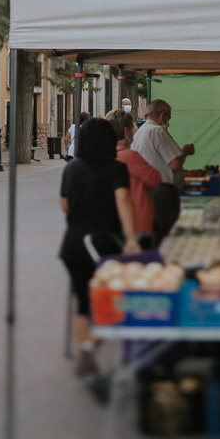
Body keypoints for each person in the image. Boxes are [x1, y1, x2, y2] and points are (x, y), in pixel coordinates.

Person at [58, 117, 139, 378]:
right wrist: (132, 238)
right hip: (104, 245)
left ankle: (86, 352)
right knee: (114, 303)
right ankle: (90, 350)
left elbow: (64, 205)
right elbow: (124, 200)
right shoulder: (116, 169)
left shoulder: (71, 169)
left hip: (73, 245)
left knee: (84, 301)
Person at [130, 99, 194, 245]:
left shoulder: (140, 133)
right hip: (163, 191)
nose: (168, 122)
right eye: (168, 118)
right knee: (166, 233)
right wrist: (185, 152)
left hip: (147, 189)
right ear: (162, 115)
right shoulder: (157, 131)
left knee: (155, 231)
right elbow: (175, 164)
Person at [105, 109, 161, 245]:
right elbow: (156, 179)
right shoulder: (129, 156)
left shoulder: (104, 156)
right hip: (137, 224)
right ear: (126, 131)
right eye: (133, 128)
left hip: (112, 223)